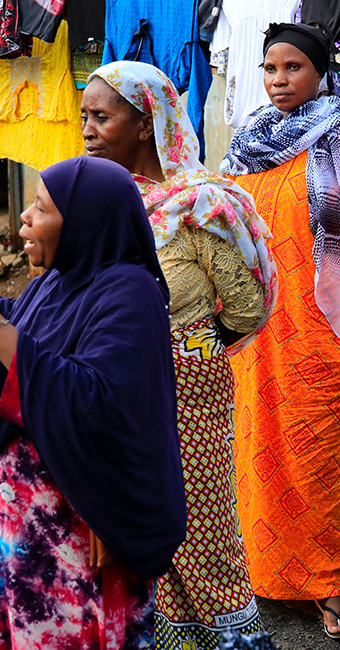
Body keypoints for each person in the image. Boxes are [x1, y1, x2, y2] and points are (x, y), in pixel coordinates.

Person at [0, 156, 185, 649]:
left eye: (41, 207)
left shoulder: (128, 295)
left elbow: (105, 404)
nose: (26, 217)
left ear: (85, 221)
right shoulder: (60, 280)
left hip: (69, 540)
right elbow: (28, 329)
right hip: (14, 533)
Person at [81, 60, 276, 648]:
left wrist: (188, 347)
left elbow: (249, 304)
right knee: (138, 517)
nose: (86, 129)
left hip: (187, 382)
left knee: (198, 520)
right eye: (84, 116)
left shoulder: (202, 205)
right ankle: (172, 635)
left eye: (101, 116)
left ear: (147, 124)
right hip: (114, 382)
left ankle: (232, 635)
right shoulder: (98, 199)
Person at [221, 22, 340, 640]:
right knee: (257, 444)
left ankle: (325, 582)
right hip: (256, 327)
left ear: (320, 72)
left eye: (293, 68)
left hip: (326, 323)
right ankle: (265, 572)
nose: (279, 81)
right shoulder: (248, 142)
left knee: (320, 450)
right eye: (271, 69)